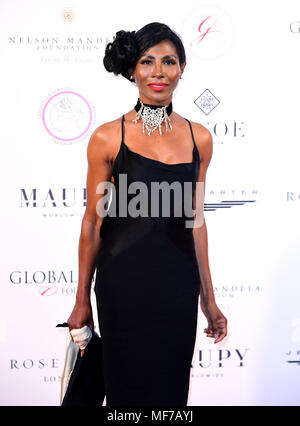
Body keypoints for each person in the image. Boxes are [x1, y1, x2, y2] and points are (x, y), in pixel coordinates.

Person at [67, 22, 227, 406]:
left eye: (169, 61)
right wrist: (81, 299)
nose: (158, 72)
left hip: (176, 286)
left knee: (171, 394)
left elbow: (196, 220)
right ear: (132, 71)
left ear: (182, 68)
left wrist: (209, 298)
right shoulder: (108, 137)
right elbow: (92, 222)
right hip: (122, 285)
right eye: (147, 61)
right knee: (126, 394)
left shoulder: (199, 138)